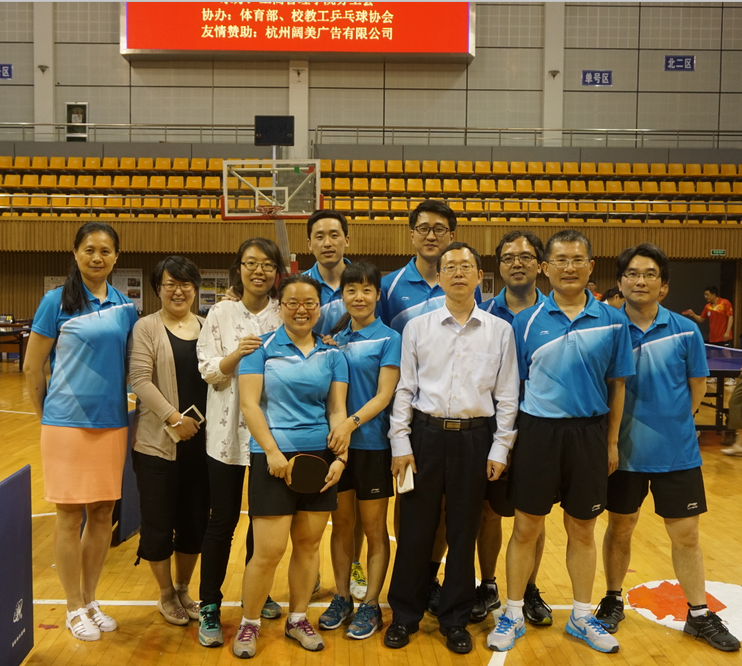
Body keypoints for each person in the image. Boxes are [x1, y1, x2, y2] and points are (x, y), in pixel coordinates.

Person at [489, 229, 634, 654]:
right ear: (545, 268)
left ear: (591, 267)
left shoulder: (613, 320)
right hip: (537, 433)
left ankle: (582, 616)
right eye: (560, 260)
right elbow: (511, 388)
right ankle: (513, 612)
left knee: (583, 529)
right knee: (526, 527)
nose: (569, 268)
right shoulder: (524, 322)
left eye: (577, 260)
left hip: (589, 434)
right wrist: (508, 444)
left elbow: (617, 385)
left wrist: (611, 442)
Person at [596, 243, 739, 652]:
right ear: (620, 282)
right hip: (622, 452)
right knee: (620, 527)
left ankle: (698, 614)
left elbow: (697, 388)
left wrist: (672, 425)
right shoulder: (607, 329)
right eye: (632, 274)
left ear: (663, 285)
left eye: (650, 274)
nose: (640, 281)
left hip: (676, 454)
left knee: (686, 534)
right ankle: (612, 598)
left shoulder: (684, 330)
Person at [383, 242, 519, 655]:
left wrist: (500, 449)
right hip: (423, 437)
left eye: (466, 266)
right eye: (450, 267)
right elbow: (404, 389)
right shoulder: (417, 328)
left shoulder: (500, 330)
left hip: (475, 439)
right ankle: (404, 615)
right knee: (414, 530)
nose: (458, 273)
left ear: (479, 276)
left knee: (463, 531)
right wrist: (400, 441)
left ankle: (455, 619)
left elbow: (507, 396)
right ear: (439, 276)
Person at [23, 222, 138, 642]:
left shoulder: (125, 307)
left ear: (116, 257)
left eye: (105, 250)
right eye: (89, 249)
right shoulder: (55, 301)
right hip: (66, 424)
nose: (97, 257)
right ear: (75, 253)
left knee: (103, 514)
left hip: (112, 422)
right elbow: (32, 367)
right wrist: (47, 416)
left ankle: (90, 599)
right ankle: (72, 606)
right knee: (70, 516)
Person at [234, 274, 350, 658]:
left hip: (319, 459)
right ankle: (249, 623)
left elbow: (337, 410)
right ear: (280, 306)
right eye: (293, 303)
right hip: (272, 460)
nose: (302, 310)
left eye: (309, 303)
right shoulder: (260, 349)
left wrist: (341, 457)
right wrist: (271, 452)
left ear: (319, 307)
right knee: (268, 551)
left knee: (308, 545)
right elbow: (249, 404)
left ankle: (298, 618)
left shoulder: (333, 354)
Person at [379, 199, 480, 613]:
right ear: (411, 234)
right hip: (404, 417)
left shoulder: (466, 285)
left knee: (450, 514)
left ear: (452, 236)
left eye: (440, 229)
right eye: (424, 228)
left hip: (457, 421)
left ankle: (433, 578)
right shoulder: (389, 286)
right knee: (411, 506)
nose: (431, 235)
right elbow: (375, 336)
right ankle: (411, 580)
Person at [195, 238, 285, 647]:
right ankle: (209, 604)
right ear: (239, 269)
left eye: (267, 264)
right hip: (226, 434)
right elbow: (209, 371)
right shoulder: (220, 313)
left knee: (262, 522)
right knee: (223, 521)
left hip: (271, 435)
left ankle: (256, 594)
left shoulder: (284, 313)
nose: (258, 271)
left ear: (277, 272)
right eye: (251, 263)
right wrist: (237, 354)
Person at [318, 262, 401, 639]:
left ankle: (370, 604)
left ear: (378, 295)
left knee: (373, 529)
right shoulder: (333, 339)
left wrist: (350, 424)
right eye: (352, 290)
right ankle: (341, 597)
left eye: (367, 290)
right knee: (341, 526)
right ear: (343, 296)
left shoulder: (389, 339)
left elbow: (384, 395)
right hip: (337, 448)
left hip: (371, 446)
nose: (359, 297)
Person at [475, 230, 552, 626]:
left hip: (541, 429)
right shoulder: (483, 314)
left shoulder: (555, 314)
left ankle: (530, 588)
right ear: (499, 267)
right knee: (488, 512)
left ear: (540, 265)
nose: (516, 264)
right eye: (508, 258)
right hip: (490, 429)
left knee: (533, 516)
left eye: (525, 257)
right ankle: (488, 584)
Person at [129, 256, 208, 626]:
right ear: (158, 289)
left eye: (186, 284)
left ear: (195, 288)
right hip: (157, 445)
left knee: (194, 521)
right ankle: (164, 593)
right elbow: (140, 380)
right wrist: (174, 418)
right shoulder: (146, 327)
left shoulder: (207, 327)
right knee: (158, 522)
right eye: (170, 284)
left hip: (202, 447)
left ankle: (183, 587)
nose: (179, 291)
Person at [304, 209, 351, 336]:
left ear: (346, 240)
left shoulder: (366, 283)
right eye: (319, 237)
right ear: (310, 244)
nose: (327, 243)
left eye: (334, 236)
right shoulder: (299, 287)